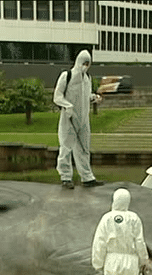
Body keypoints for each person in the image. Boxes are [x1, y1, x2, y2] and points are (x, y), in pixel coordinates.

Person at [53, 49, 103, 189]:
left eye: (88, 63)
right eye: (84, 63)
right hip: (68, 118)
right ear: (78, 62)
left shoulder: (87, 78)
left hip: (83, 119)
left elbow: (84, 96)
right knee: (66, 147)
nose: (85, 66)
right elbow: (57, 96)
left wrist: (93, 98)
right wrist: (67, 106)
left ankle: (87, 177)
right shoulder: (66, 76)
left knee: (84, 148)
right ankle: (66, 177)